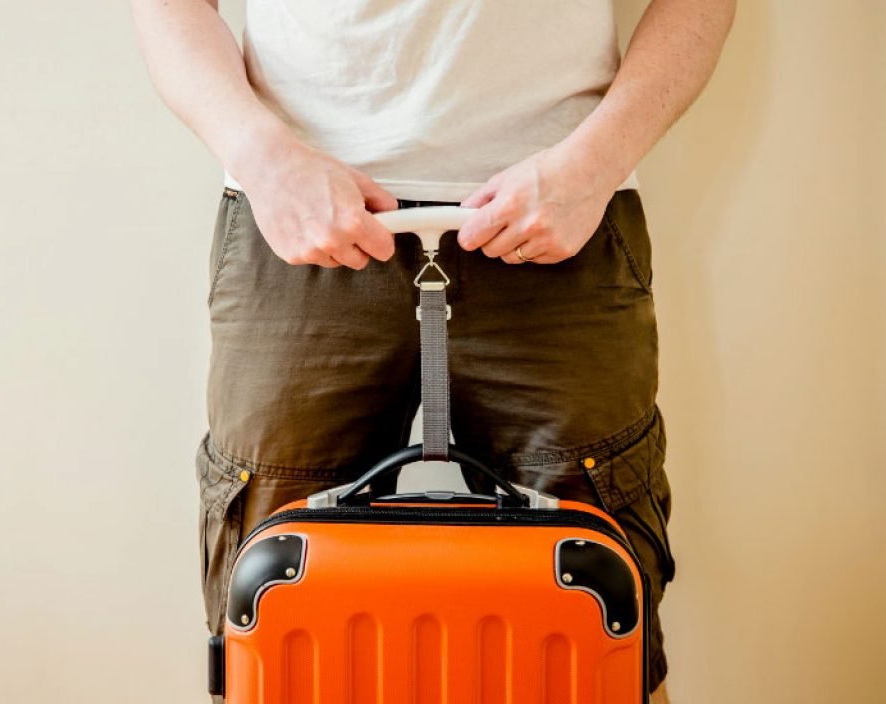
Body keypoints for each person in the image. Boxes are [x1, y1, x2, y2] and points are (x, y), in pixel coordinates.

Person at [131, 1, 735, 700]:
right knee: (269, 621)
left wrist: (596, 162)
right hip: (296, 220)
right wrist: (262, 158)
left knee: (599, 631)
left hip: (563, 213)